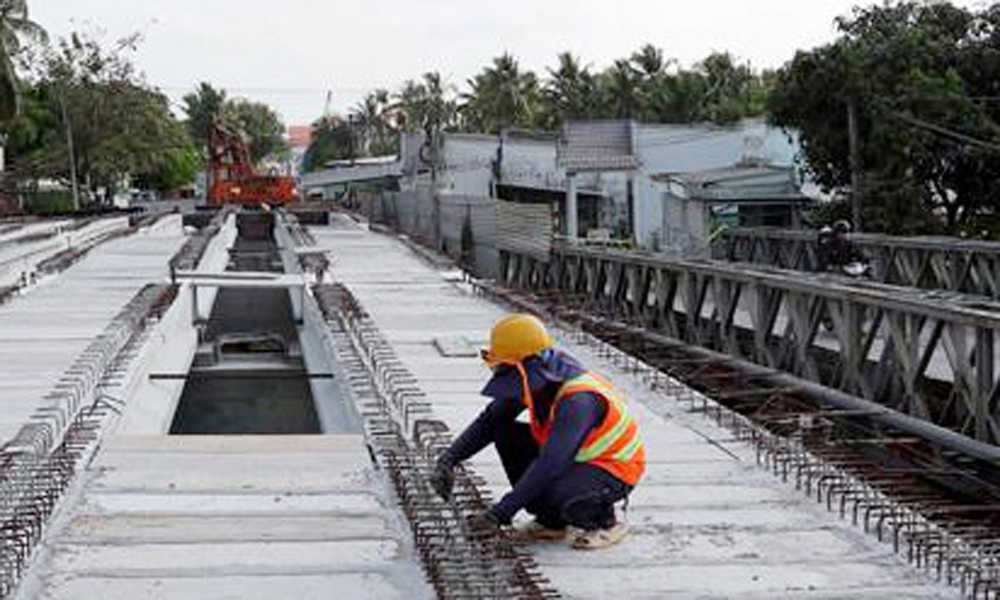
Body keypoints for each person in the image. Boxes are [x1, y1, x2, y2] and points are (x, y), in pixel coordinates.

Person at [429, 313, 645, 550]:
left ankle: (605, 521)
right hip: (573, 461)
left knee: (561, 496)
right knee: (504, 430)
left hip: (612, 468)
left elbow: (550, 463)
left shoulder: (578, 399)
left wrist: (498, 515)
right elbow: (490, 420)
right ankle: (552, 523)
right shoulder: (540, 376)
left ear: (522, 367)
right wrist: (449, 459)